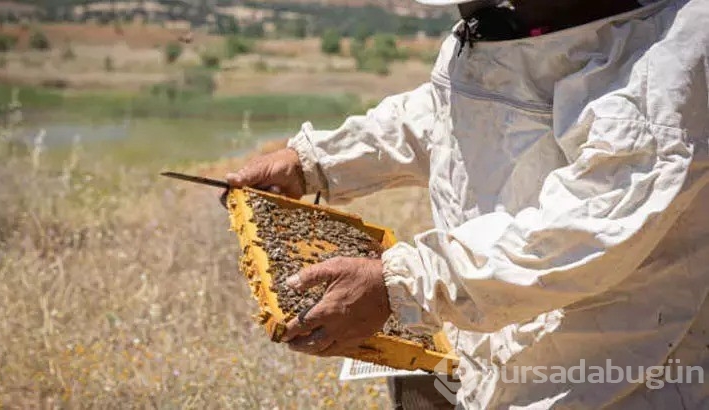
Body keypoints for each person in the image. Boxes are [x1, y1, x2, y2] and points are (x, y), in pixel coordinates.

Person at [222, 0, 709, 408]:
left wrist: (405, 285)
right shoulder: (508, 26)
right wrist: (317, 161)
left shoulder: (663, 65)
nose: (471, 9)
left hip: (617, 373)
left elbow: (583, 229)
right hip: (493, 335)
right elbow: (448, 109)